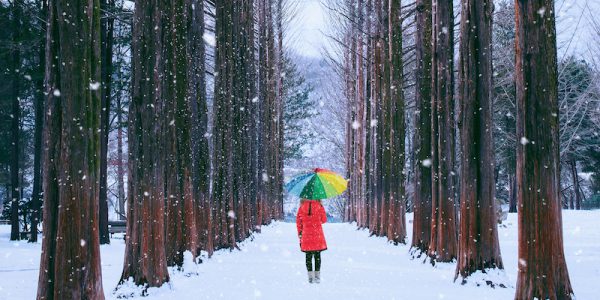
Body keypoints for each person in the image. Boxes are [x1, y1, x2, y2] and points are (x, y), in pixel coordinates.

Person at [296, 198, 328, 284]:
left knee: (308, 256)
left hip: (306, 235)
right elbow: (324, 220)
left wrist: (300, 233)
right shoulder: (319, 206)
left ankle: (310, 277)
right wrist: (321, 208)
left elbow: (299, 223)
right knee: (317, 255)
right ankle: (317, 277)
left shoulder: (301, 207)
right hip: (317, 234)